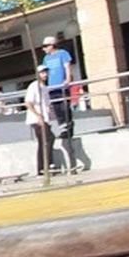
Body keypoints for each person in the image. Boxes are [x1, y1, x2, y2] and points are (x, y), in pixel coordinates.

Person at [40, 31, 80, 173]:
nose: (44, 48)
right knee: (56, 107)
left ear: (52, 45)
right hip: (51, 87)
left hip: (61, 84)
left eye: (46, 46)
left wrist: (68, 79)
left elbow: (66, 66)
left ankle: (68, 126)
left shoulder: (62, 53)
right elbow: (44, 72)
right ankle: (63, 126)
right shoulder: (46, 58)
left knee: (64, 106)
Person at [24, 66, 54, 180]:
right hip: (36, 119)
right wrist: (38, 115)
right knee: (45, 140)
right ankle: (42, 168)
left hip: (45, 118)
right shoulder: (34, 86)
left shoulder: (44, 87)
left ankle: (48, 164)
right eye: (42, 73)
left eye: (46, 72)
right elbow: (28, 103)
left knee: (48, 139)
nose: (45, 74)